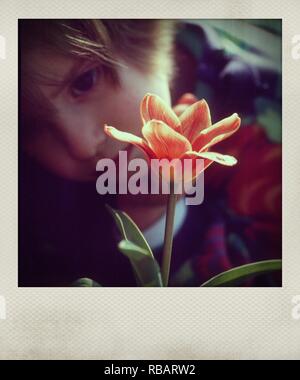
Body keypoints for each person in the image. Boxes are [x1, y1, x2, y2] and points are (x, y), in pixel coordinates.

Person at [19, 19, 282, 287]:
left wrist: (159, 209)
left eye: (85, 81)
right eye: (32, 127)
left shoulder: (272, 117)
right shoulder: (30, 194)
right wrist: (145, 212)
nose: (82, 146)